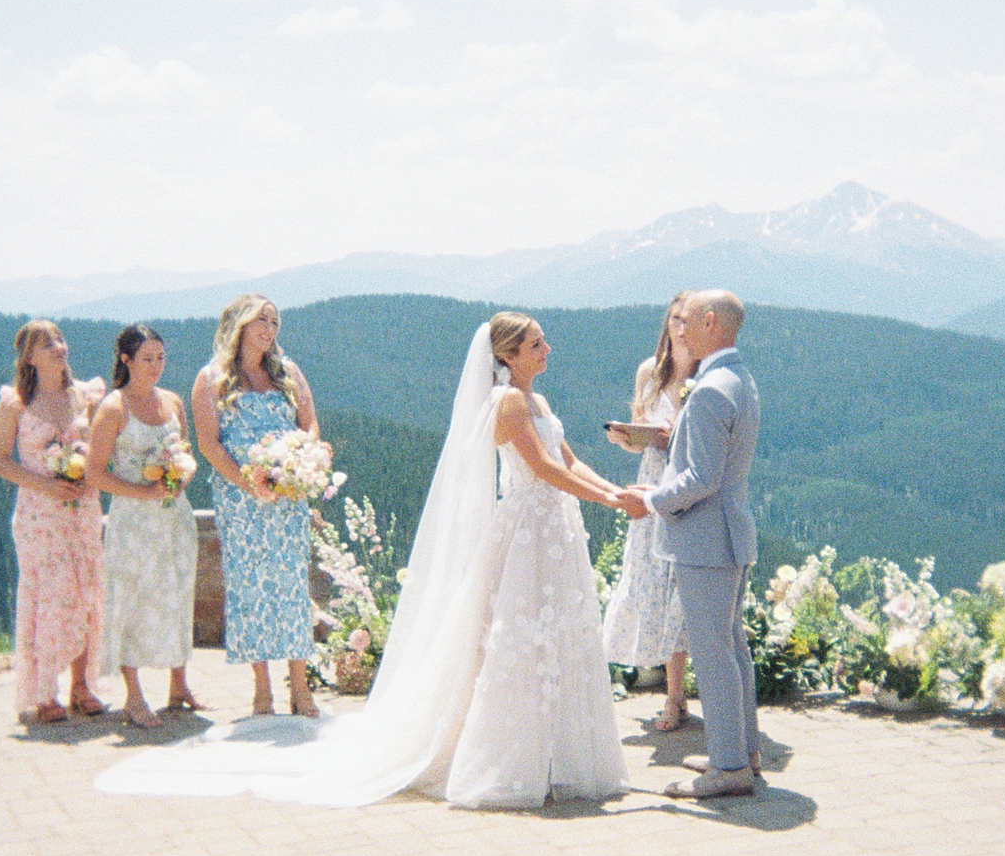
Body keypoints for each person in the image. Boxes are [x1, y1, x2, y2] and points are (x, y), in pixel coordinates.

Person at [96, 312, 629, 809]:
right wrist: (609, 502)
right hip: (528, 531)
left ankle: (556, 748)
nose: (547, 349)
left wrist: (619, 489)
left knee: (555, 631)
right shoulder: (508, 404)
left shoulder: (538, 403)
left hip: (555, 530)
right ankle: (514, 755)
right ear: (509, 355)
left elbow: (569, 459)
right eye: (537, 343)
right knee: (520, 635)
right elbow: (542, 469)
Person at [618, 290, 761, 799]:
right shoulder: (738, 378)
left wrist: (650, 500)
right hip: (732, 532)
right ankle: (743, 751)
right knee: (732, 647)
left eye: (690, 320)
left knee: (713, 652)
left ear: (710, 321)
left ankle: (728, 767)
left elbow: (700, 478)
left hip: (706, 540)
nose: (681, 329)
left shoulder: (707, 391)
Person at [191, 296, 320, 719]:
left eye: (274, 321)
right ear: (238, 326)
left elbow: (310, 423)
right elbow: (209, 443)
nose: (269, 328)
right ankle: (262, 688)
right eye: (260, 320)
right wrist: (248, 481)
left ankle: (300, 686)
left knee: (292, 588)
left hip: (288, 498)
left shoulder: (289, 372)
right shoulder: (210, 379)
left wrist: (299, 461)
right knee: (250, 589)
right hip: (240, 499)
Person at [0, 321, 107, 723]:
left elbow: (98, 449)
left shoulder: (84, 396)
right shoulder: (16, 403)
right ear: (29, 357)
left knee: (85, 590)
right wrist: (46, 484)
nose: (58, 347)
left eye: (59, 339)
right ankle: (44, 690)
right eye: (46, 344)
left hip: (84, 509)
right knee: (49, 596)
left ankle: (81, 686)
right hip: (40, 515)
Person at [86, 326, 201, 728]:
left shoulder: (172, 401)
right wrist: (142, 491)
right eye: (148, 358)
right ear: (126, 360)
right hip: (134, 522)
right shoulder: (113, 408)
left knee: (179, 592)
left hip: (175, 518)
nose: (156, 366)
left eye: (161, 358)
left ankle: (179, 684)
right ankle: (134, 697)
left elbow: (184, 452)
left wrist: (180, 477)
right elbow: (94, 474)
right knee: (132, 602)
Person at [603, 293, 696, 729]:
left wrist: (669, 437)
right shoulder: (651, 371)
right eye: (675, 318)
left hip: (685, 482)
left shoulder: (705, 375)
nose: (680, 326)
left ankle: (677, 697)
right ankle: (667, 690)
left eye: (688, 319)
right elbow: (643, 425)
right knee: (652, 579)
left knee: (680, 585)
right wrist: (627, 437)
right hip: (650, 476)